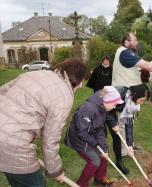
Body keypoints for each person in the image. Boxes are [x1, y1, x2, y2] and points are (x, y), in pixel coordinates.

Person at [0, 58, 91, 187]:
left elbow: (2, 91)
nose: (81, 85)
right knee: (35, 184)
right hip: (13, 143)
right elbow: (50, 138)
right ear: (75, 78)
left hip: (8, 137)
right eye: (82, 81)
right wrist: (55, 170)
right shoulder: (64, 96)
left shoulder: (34, 74)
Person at [111, 32, 152, 159]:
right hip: (124, 93)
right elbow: (147, 65)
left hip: (130, 93)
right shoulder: (125, 53)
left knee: (129, 121)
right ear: (126, 42)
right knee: (124, 122)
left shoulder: (127, 53)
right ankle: (125, 151)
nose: (137, 42)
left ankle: (130, 144)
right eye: (134, 40)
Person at [64, 86, 124, 187]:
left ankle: (99, 179)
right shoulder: (87, 109)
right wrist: (95, 143)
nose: (114, 107)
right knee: (94, 161)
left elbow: (100, 129)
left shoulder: (102, 109)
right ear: (108, 101)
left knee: (104, 155)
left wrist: (103, 148)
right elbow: (81, 132)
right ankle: (81, 184)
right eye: (114, 104)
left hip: (90, 135)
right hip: (79, 139)